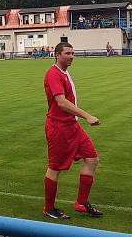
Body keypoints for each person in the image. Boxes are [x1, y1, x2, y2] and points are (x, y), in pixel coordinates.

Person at [42, 42, 103, 219]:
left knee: (92, 159)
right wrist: (87, 116)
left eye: (73, 53)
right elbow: (61, 102)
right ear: (57, 55)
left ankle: (81, 203)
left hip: (72, 126)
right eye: (67, 53)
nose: (71, 56)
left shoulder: (64, 73)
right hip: (59, 127)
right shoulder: (53, 74)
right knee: (54, 168)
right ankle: (49, 208)